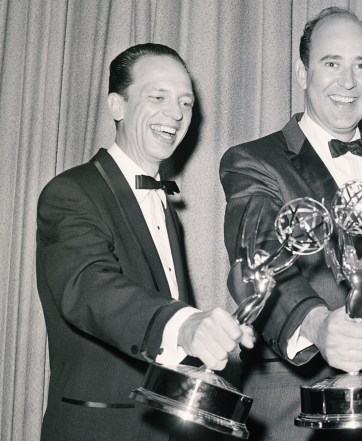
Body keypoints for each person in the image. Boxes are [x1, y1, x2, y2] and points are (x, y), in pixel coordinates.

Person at [36, 43, 253, 441]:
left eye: (186, 103)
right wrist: (185, 324)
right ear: (116, 106)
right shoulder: (71, 192)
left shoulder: (166, 209)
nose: (176, 114)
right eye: (158, 97)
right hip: (97, 430)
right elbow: (89, 287)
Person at [220, 7, 362, 441]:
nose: (348, 82)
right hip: (295, 408)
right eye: (331, 64)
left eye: (361, 65)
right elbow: (258, 262)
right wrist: (316, 323)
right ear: (302, 73)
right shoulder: (253, 160)